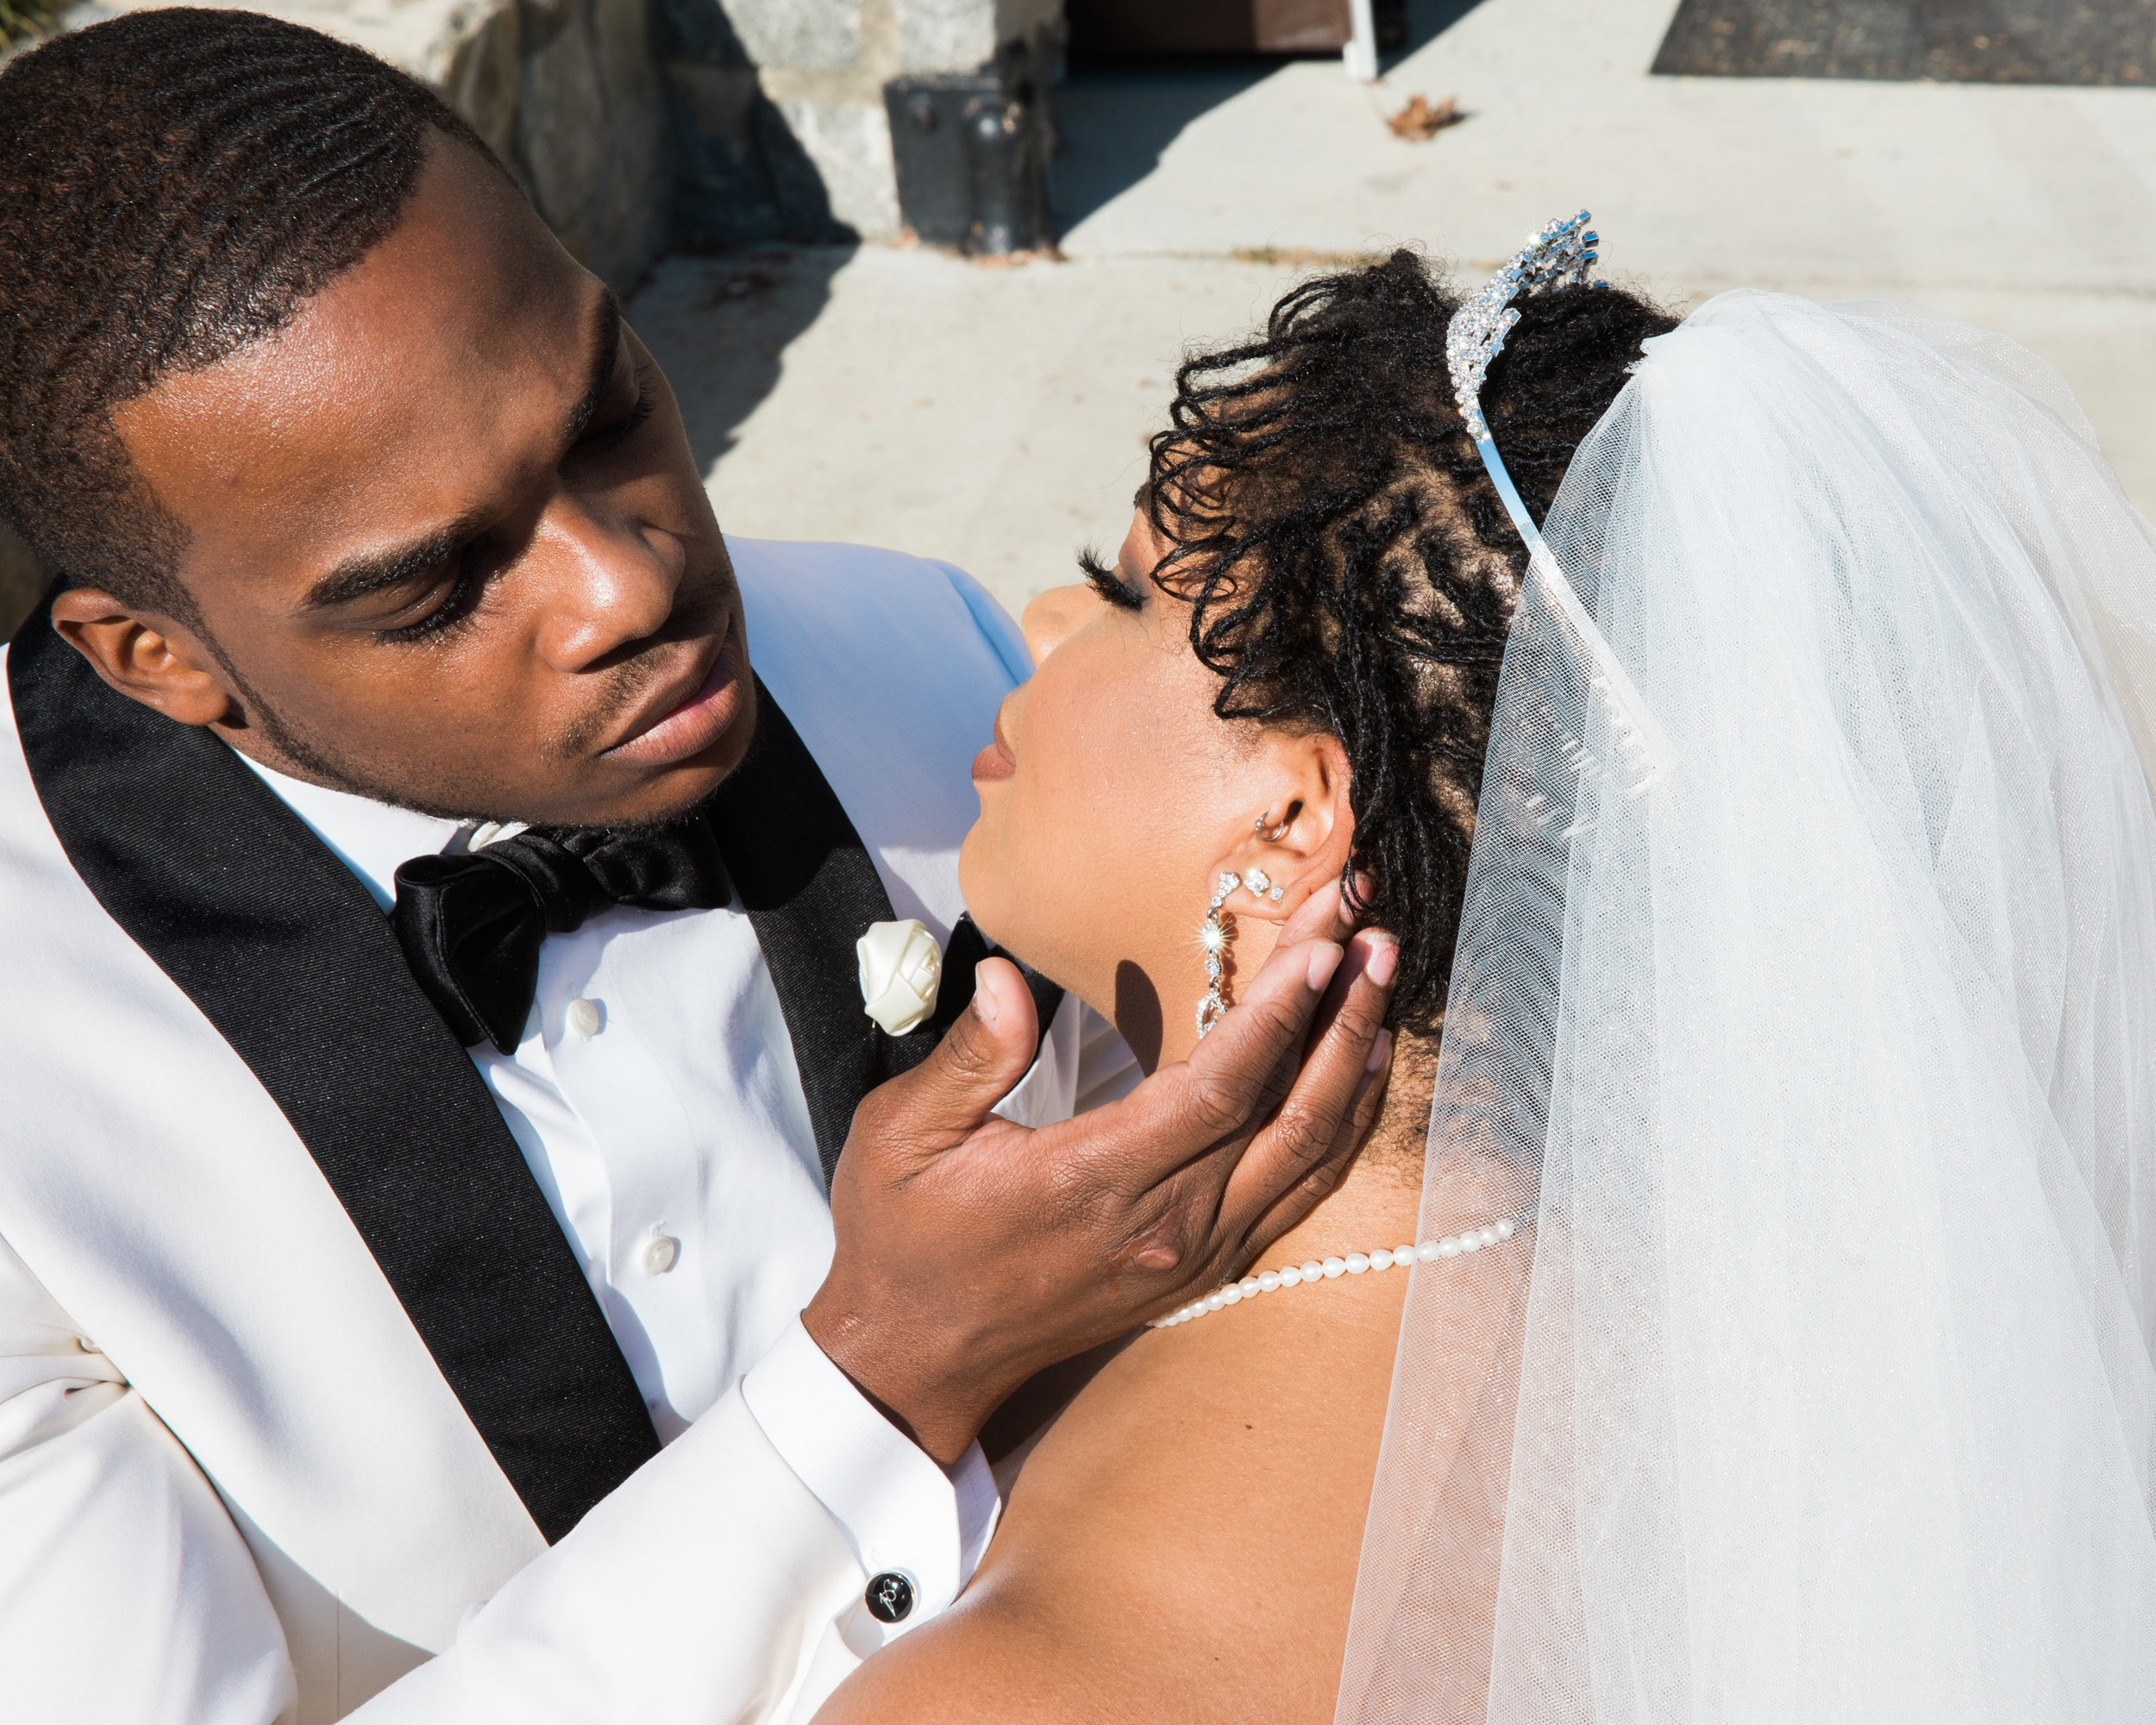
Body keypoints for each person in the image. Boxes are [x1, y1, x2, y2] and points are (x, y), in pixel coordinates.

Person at [0, 15, 1399, 1722]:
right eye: (436, 585)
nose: (627, 585)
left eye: (605, 413)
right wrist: (877, 1372)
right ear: (159, 659)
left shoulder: (933, 659)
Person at [812, 237, 2156, 1722]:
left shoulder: (1008, 1695)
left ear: (1302, 816)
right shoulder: (1822, 1317)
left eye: (1119, 593)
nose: (1040, 618)